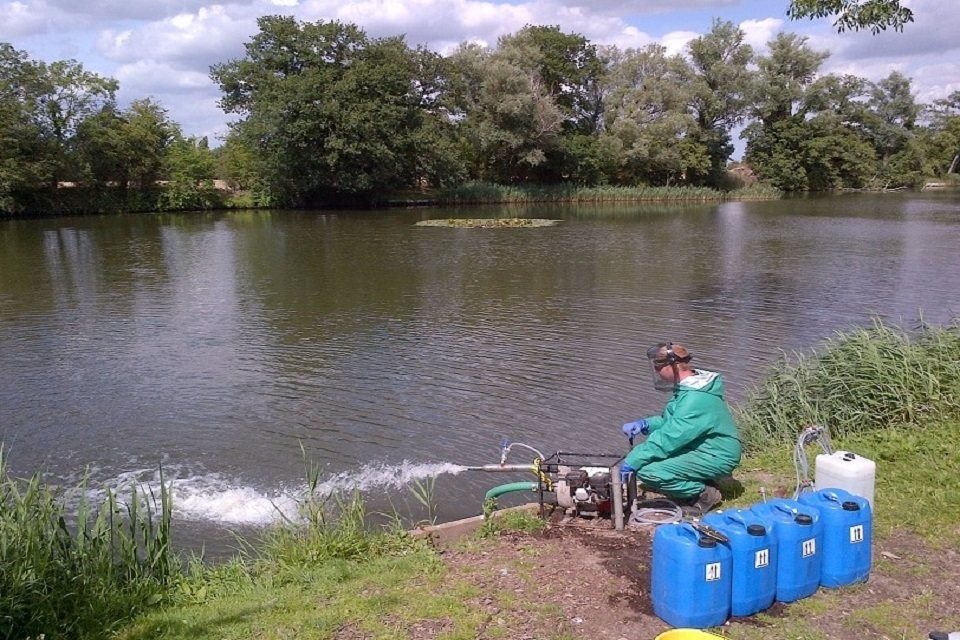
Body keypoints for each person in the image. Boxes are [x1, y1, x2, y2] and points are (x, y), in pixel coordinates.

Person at [620, 342, 741, 516]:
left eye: (658, 367)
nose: (656, 372)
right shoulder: (689, 388)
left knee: (649, 471)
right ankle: (700, 479)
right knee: (648, 461)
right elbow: (671, 422)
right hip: (704, 448)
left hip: (718, 454)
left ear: (673, 366)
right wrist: (645, 424)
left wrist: (632, 461)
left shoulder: (694, 398)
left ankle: (705, 494)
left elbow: (669, 438)